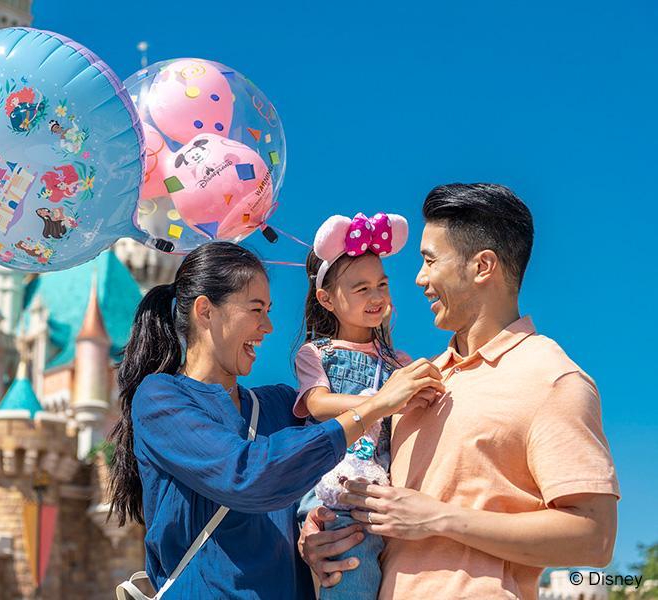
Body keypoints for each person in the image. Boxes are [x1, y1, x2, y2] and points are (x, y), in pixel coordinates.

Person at [300, 183, 619, 599]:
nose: (418, 279)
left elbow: (595, 539)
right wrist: (318, 534)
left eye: (430, 261)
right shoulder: (415, 380)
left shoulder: (551, 377)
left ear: (482, 265)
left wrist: (439, 519)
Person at [107, 241, 443, 599]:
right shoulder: (160, 398)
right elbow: (247, 475)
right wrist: (375, 405)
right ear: (206, 311)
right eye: (256, 309)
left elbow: (314, 487)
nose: (268, 326)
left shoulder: (283, 405)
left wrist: (313, 532)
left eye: (268, 310)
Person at [294, 211, 415, 600]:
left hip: (386, 493)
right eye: (361, 289)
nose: (377, 296)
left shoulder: (401, 363)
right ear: (326, 299)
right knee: (353, 576)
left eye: (382, 284)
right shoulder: (317, 353)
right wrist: (382, 401)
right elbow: (316, 403)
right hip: (339, 491)